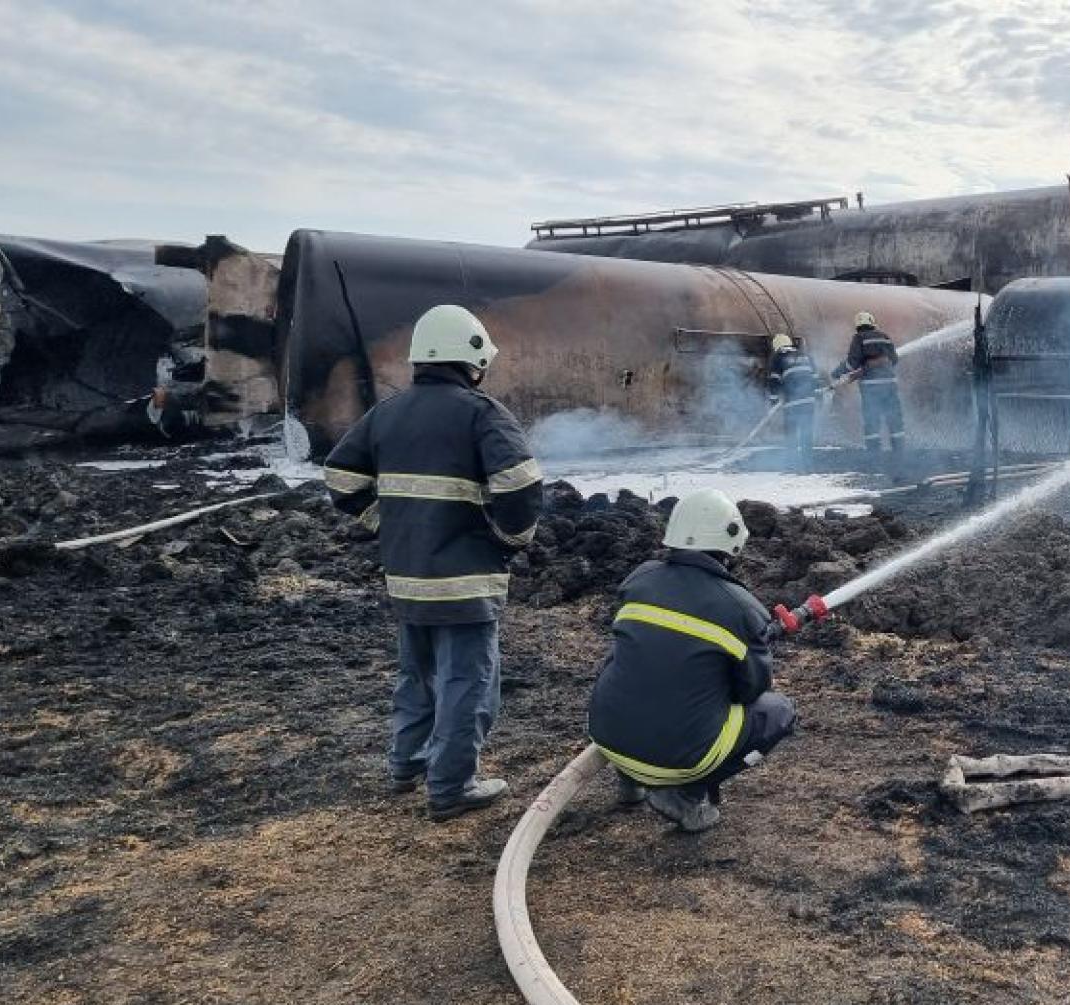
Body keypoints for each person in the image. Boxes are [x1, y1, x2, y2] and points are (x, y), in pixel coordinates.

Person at [322, 304, 543, 822]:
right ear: (471, 358)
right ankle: (451, 786)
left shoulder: (388, 413)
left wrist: (384, 521)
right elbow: (520, 485)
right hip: (464, 584)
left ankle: (407, 765)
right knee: (468, 683)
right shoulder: (482, 413)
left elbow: (340, 476)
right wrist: (510, 537)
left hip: (407, 578)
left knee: (416, 676)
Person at [587, 489, 796, 833]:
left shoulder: (640, 579)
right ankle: (685, 795)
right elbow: (751, 691)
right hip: (681, 754)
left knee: (635, 666)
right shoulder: (741, 608)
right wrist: (752, 645)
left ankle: (629, 781)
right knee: (779, 712)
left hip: (607, 733)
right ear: (731, 543)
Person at [833, 311, 905, 461]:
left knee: (872, 421)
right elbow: (894, 359)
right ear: (872, 322)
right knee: (894, 419)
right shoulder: (885, 336)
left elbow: (851, 364)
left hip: (871, 388)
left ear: (858, 325)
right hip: (890, 385)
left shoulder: (859, 338)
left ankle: (874, 457)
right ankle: (899, 455)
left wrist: (838, 372)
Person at [766, 333, 819, 468]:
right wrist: (817, 395)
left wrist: (773, 400)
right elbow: (815, 378)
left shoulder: (778, 357)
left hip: (792, 402)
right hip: (809, 400)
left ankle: (792, 462)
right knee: (806, 431)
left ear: (777, 346)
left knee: (791, 432)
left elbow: (774, 381)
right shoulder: (805, 355)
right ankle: (808, 462)